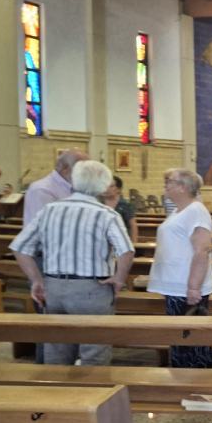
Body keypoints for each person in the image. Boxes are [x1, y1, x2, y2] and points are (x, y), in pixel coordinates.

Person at [10, 160, 134, 366]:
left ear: (74, 181)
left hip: (54, 287)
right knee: (94, 349)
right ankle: (93, 394)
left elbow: (20, 247)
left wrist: (37, 280)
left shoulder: (50, 210)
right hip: (92, 288)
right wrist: (119, 279)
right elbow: (127, 251)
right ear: (103, 186)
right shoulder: (106, 214)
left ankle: (59, 394)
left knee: (57, 349)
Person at [147, 168, 212, 368]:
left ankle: (199, 386)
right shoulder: (180, 210)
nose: (166, 184)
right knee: (180, 341)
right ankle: (184, 384)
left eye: (170, 181)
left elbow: (202, 249)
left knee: (191, 342)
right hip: (176, 287)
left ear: (183, 187)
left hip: (185, 288)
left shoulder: (196, 210)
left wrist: (194, 287)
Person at [23, 148, 89, 223]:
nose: (86, 173)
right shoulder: (42, 190)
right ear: (65, 169)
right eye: (82, 169)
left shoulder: (74, 186)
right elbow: (46, 225)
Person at [102, 176, 138, 244]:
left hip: (121, 241)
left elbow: (132, 225)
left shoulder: (125, 205)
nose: (106, 188)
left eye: (111, 186)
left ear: (118, 189)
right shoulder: (99, 204)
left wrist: (134, 243)